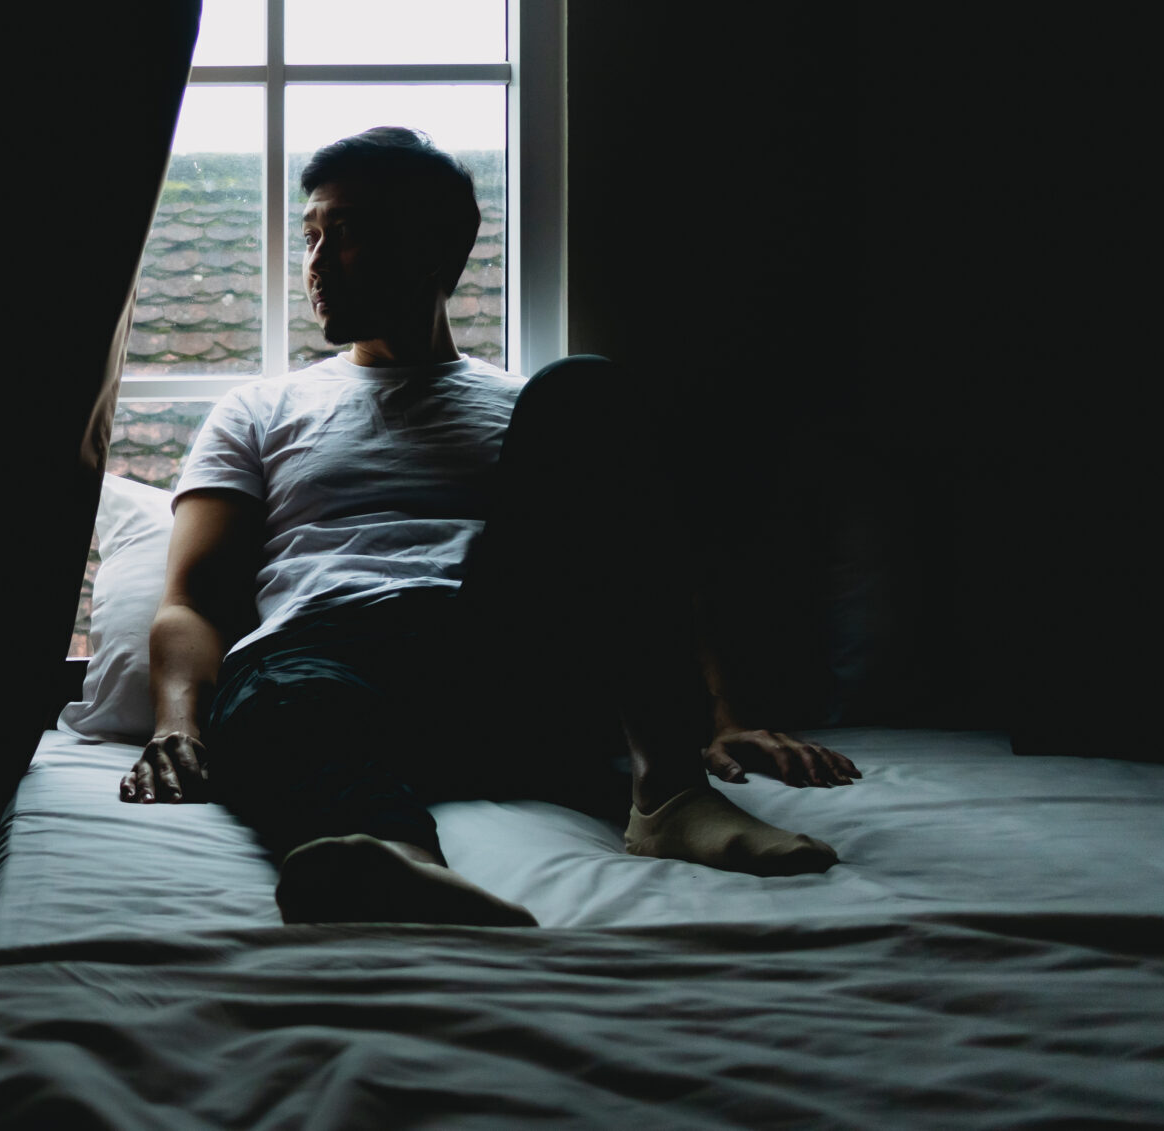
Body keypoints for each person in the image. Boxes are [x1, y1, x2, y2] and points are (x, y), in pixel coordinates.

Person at [120, 126, 857, 926]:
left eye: (349, 233)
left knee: (587, 388)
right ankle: (391, 857)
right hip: (326, 669)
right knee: (284, 699)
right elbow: (192, 599)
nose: (317, 263)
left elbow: (645, 570)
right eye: (312, 236)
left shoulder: (529, 412)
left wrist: (722, 719)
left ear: (435, 249)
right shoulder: (262, 407)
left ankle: (669, 794)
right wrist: (177, 724)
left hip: (504, 673)